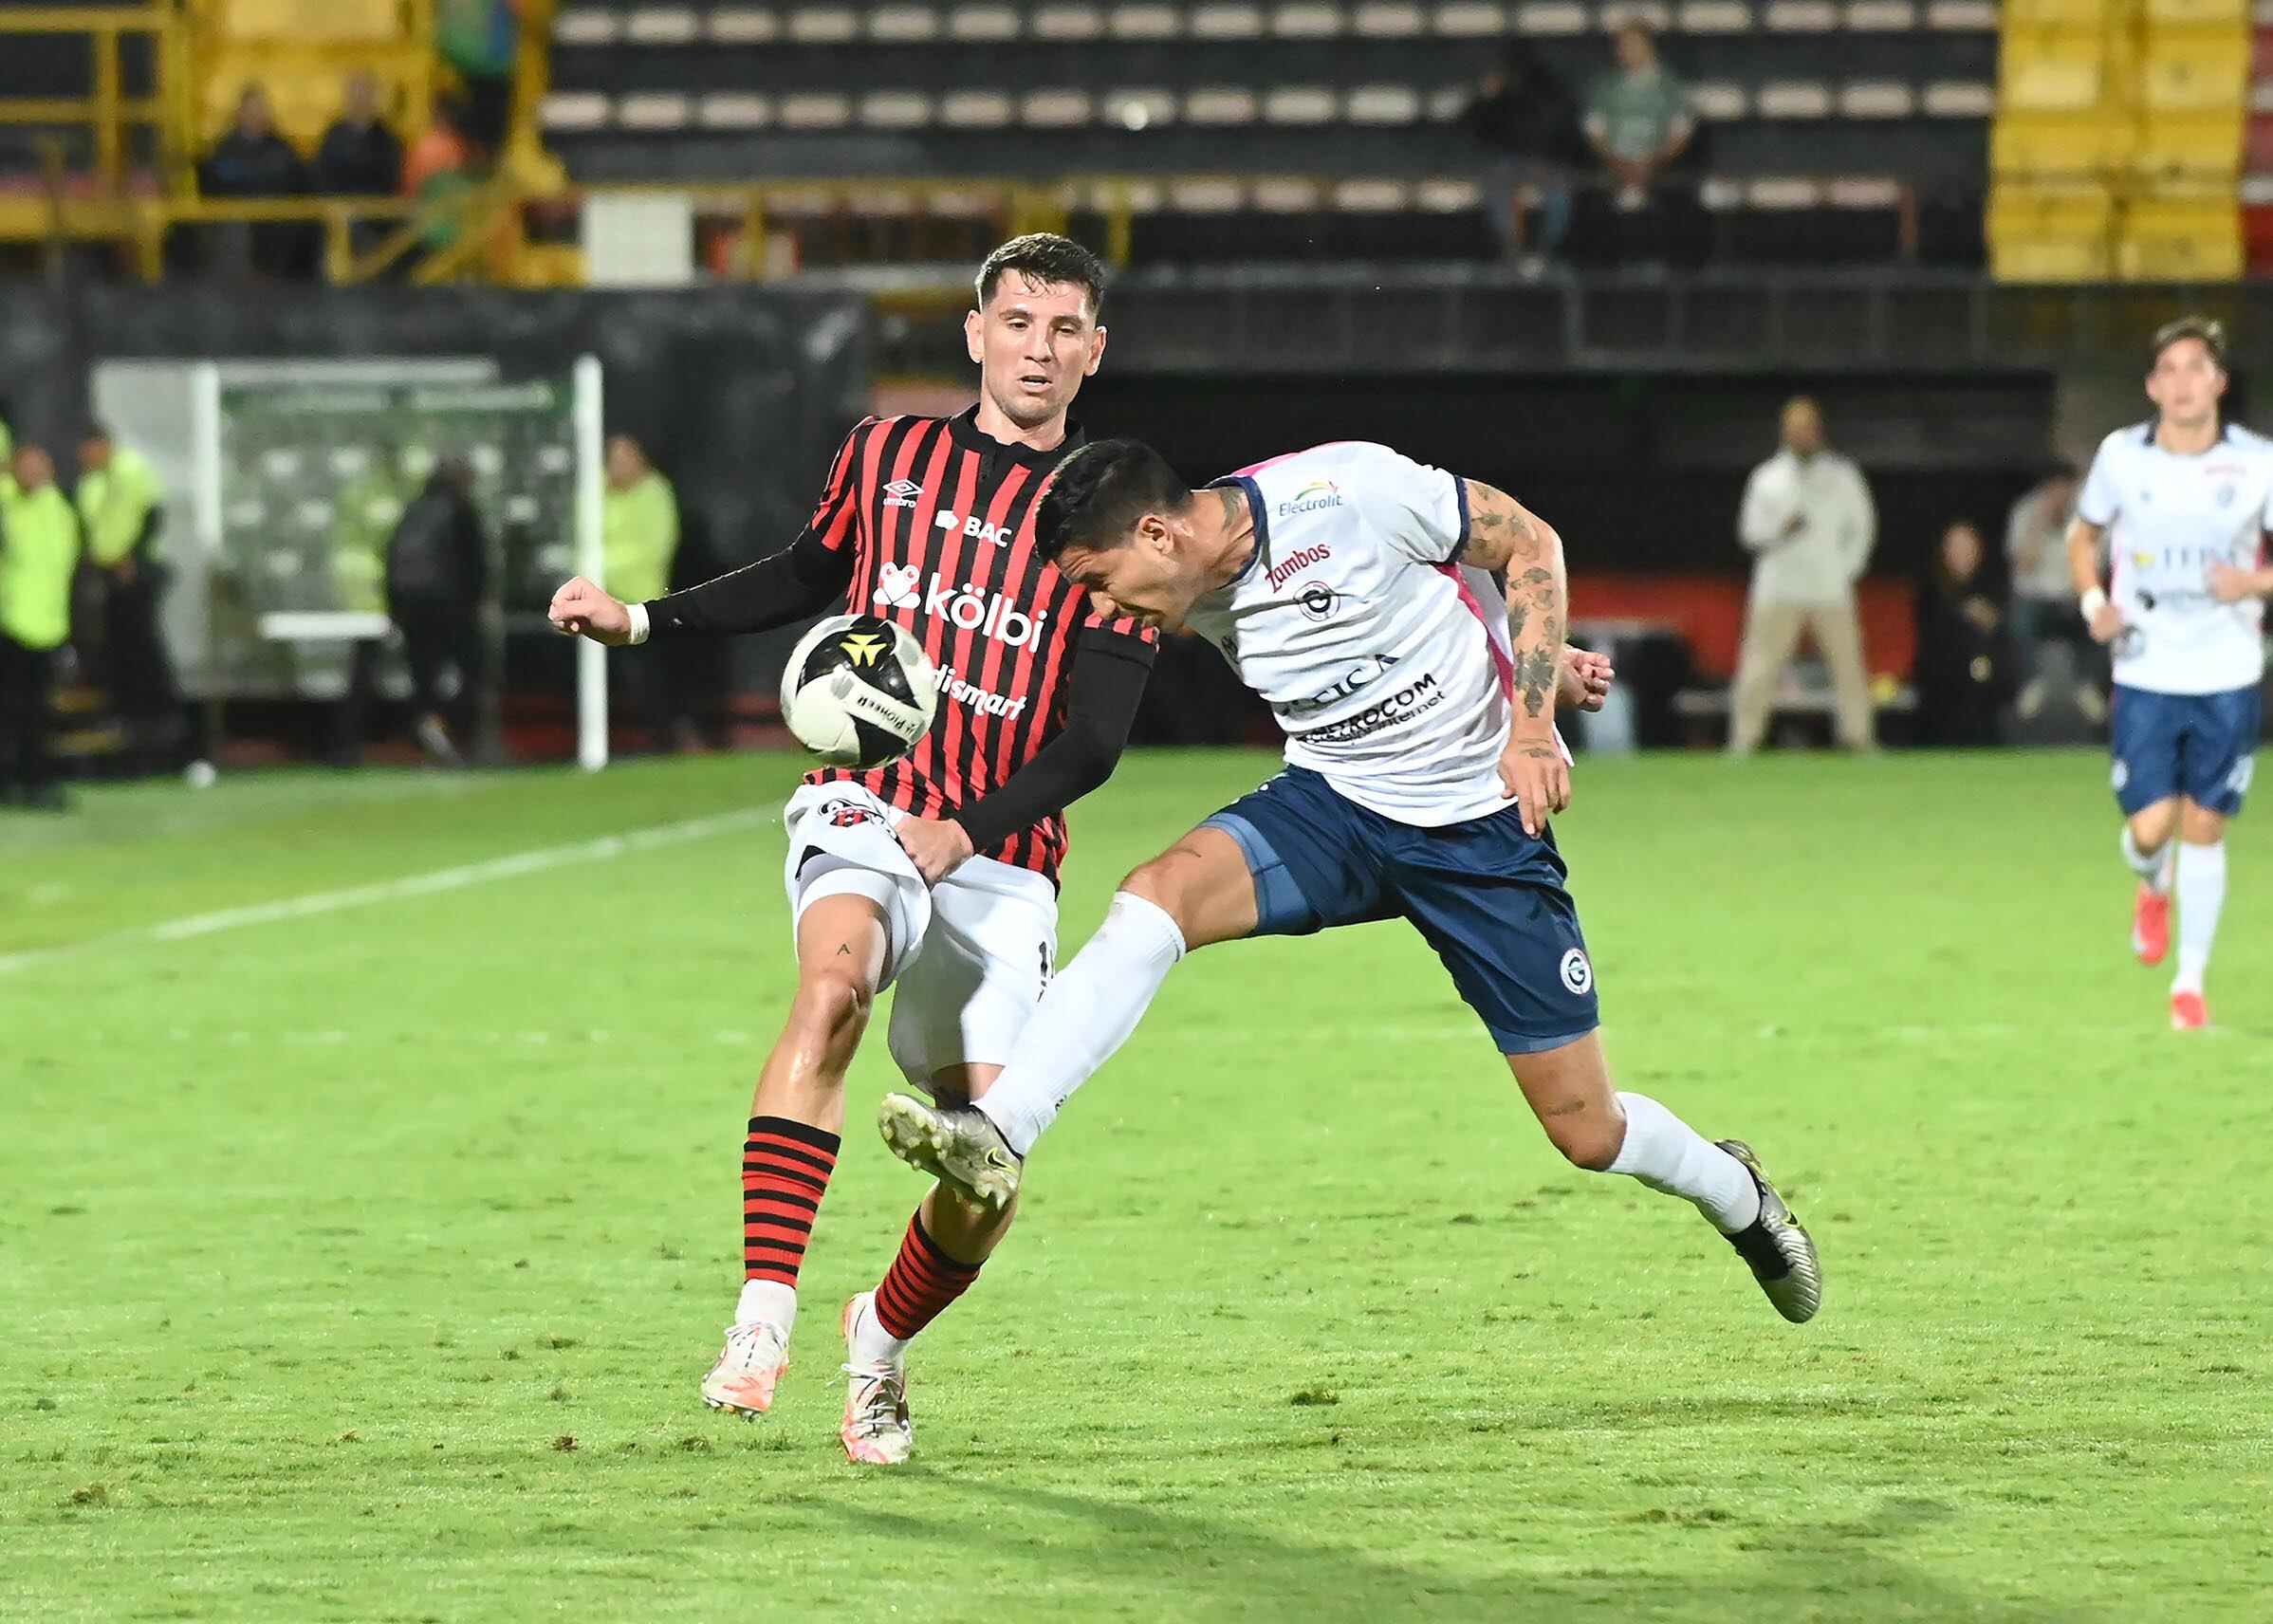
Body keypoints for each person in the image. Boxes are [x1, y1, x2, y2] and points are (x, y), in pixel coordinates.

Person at [875, 437, 1822, 1351]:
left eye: (1099, 580)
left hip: (1476, 833)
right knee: (1155, 893)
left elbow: (1524, 543)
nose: (1103, 605)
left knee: (1586, 1128)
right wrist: (1511, 645)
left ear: (1158, 535)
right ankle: (998, 1133)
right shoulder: (1179, 589)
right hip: (1334, 807)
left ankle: (1735, 1197)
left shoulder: (1346, 492)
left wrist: (1529, 713)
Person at [547, 235, 1161, 1467]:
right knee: (831, 987)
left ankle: (875, 1346)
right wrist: (639, 619)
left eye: (1065, 329)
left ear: (1094, 353)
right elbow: (805, 573)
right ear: (976, 333)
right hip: (871, 803)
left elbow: (1093, 744)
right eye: (1019, 320)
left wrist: (970, 831)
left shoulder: (1120, 521)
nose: (1039, 346)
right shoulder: (891, 455)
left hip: (1001, 853)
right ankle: (761, 1315)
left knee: (986, 1173)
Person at [2066, 316, 2273, 1031]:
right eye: (2170, 371)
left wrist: (2253, 583)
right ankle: (2151, 881)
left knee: (2206, 822)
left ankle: (2189, 985)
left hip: (2229, 664)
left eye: (2197, 368)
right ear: (2154, 386)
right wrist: (2095, 601)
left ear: (2218, 381)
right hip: (2149, 660)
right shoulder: (2123, 457)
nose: (2183, 383)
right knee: (2153, 827)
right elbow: (2082, 536)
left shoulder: (2257, 463)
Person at [1728, 396, 1878, 754]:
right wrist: (1782, 530)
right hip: (1778, 588)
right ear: (1785, 433)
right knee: (1759, 668)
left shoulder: (1843, 476)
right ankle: (1744, 740)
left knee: (1849, 668)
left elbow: (1863, 528)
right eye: (1796, 428)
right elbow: (1750, 533)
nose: (1803, 435)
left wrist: (1846, 569)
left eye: (1808, 428)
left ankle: (1859, 738)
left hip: (1830, 589)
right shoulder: (1767, 479)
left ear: (1819, 431)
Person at [77, 425, 211, 779]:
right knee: (119, 650)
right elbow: (94, 528)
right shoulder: (90, 484)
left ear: (102, 445)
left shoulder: (131, 470)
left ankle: (165, 724)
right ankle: (131, 724)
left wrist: (131, 559)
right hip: (109, 574)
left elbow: (152, 516)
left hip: (139, 572)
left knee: (144, 648)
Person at [383, 454, 490, 765]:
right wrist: (477, 601)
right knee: (473, 670)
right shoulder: (461, 509)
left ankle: (430, 725)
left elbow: (392, 557)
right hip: (451, 603)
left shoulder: (413, 509)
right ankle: (451, 729)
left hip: (409, 604)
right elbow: (475, 562)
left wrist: (394, 609)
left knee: (424, 675)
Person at [0, 445, 83, 809]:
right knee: (9, 711)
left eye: (39, 468)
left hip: (44, 624)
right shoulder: (8, 505)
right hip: (9, 621)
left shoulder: (59, 511)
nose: (33, 475)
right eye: (26, 468)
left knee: (37, 711)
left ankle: (36, 782)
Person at [601, 434, 694, 751]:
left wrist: (600, 568)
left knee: (651, 681)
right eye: (614, 458)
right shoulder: (594, 491)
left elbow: (654, 548)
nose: (619, 465)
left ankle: (660, 742)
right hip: (599, 605)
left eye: (626, 457)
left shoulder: (655, 492)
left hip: (643, 605)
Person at [1579, 24, 1702, 265]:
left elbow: (1681, 135)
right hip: (1615, 166)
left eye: (1632, 45)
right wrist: (1618, 163)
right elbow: (1594, 133)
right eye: (1621, 46)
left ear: (1648, 47)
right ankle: (1605, 271)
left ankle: (1669, 266)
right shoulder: (1606, 87)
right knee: (1590, 200)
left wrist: (1653, 162)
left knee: (1677, 199)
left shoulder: (1670, 88)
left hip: (1660, 166)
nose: (1625, 51)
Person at [1461, 38, 1580, 262]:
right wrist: (1484, 98)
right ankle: (1513, 254)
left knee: (1559, 193)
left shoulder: (1549, 88)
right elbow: (1467, 122)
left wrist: (1541, 157)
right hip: (1504, 160)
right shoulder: (1496, 90)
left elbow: (1562, 124)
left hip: (1544, 158)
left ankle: (1546, 254)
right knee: (1501, 187)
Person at [2005, 459, 2105, 724]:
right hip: (2037, 599)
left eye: (2065, 487)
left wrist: (2080, 592)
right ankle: (2032, 683)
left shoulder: (2088, 515)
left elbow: (2097, 564)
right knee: (2020, 621)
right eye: (2053, 487)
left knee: (2100, 618)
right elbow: (2023, 565)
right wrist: (2041, 521)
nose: (2059, 494)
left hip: (2074, 597)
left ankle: (2088, 686)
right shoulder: (2025, 512)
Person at [1913, 520, 2015, 747]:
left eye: (1966, 549)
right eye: (1955, 549)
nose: (1960, 555)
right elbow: (1933, 633)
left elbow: (1998, 628)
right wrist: (1965, 614)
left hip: (1987, 680)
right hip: (1943, 674)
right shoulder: (1931, 589)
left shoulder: (1992, 586)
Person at [199, 84, 311, 280]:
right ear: (239, 113)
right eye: (251, 110)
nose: (256, 115)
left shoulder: (283, 150)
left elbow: (298, 184)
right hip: (239, 224)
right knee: (232, 229)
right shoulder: (224, 151)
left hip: (277, 222)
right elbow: (216, 189)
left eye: (260, 109)